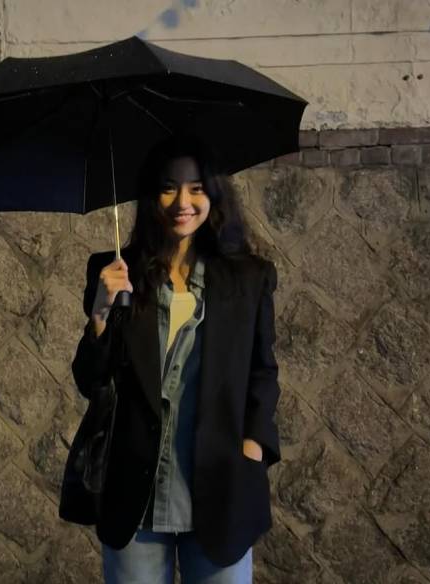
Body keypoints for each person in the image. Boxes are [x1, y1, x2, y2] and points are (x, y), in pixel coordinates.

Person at [69, 134, 280, 583]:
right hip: (136, 495)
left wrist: (253, 448)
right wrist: (101, 312)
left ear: (213, 194)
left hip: (221, 487)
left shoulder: (249, 278)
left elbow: (262, 372)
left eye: (196, 188)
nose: (182, 202)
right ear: (152, 197)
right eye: (168, 188)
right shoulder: (115, 274)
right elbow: (90, 380)